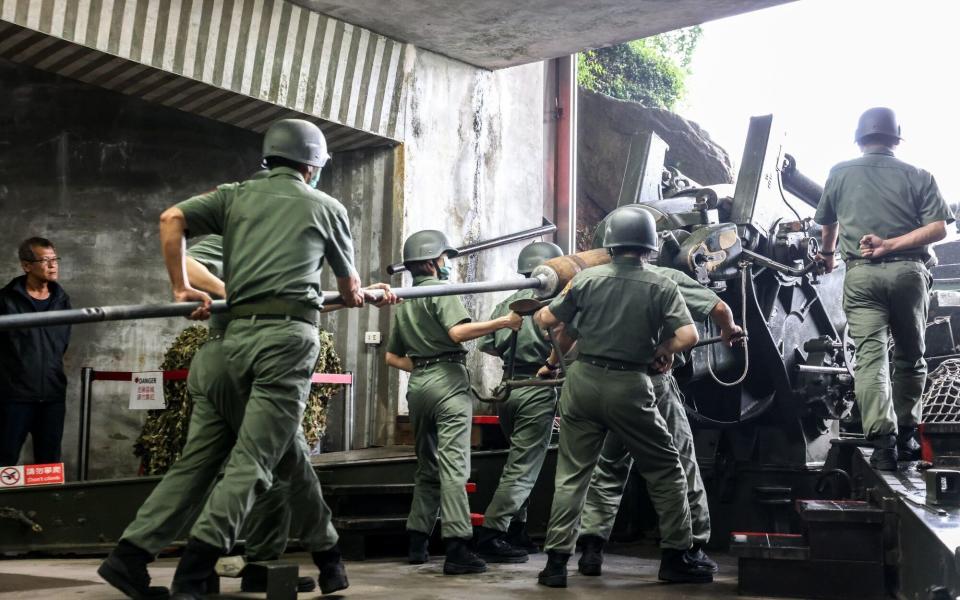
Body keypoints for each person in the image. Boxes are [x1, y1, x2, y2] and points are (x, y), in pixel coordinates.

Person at [102, 118, 387, 600]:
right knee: (259, 461)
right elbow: (345, 289)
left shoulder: (233, 198)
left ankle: (129, 557)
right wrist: (364, 294)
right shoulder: (327, 207)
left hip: (229, 345)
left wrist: (180, 286)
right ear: (312, 164)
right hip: (285, 343)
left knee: (217, 461)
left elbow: (171, 219)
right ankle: (197, 570)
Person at [533, 207, 714, 587]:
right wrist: (661, 349)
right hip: (630, 385)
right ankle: (677, 557)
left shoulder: (587, 280)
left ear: (610, 245)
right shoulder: (662, 285)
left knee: (573, 476)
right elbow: (689, 337)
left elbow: (547, 321)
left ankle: (555, 565)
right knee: (667, 469)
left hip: (581, 383)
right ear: (649, 248)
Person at [567, 210, 742, 576]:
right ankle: (688, 546)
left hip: (605, 384)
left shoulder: (591, 280)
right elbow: (720, 307)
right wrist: (728, 330)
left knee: (609, 466)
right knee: (678, 462)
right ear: (651, 246)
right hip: (653, 386)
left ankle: (591, 547)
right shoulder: (666, 278)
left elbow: (563, 327)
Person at [815, 107, 953, 470]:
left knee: (870, 360)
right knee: (911, 356)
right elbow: (939, 229)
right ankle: (908, 433)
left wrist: (828, 256)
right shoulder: (919, 175)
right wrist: (894, 245)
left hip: (861, 276)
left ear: (860, 138)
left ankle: (883, 444)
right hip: (909, 274)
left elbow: (827, 226)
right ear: (896, 138)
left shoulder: (839, 172)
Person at [385, 230, 522, 575]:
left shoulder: (404, 299)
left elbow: (391, 356)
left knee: (427, 464)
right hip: (447, 381)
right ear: (432, 261)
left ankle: (417, 541)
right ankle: (458, 547)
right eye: (445, 258)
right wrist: (504, 321)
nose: (447, 264)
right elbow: (458, 333)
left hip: (418, 385)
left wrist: (421, 365)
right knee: (454, 466)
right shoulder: (441, 291)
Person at [474, 241, 564, 562]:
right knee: (523, 468)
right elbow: (568, 345)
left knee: (518, 462)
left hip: (507, 388)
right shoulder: (556, 305)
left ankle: (516, 530)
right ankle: (492, 533)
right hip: (538, 386)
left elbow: (487, 345)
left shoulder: (506, 304)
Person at [0, 238, 71, 466]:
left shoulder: (62, 300)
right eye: (45, 260)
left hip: (52, 396)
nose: (53, 265)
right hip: (13, 398)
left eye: (54, 259)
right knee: (4, 462)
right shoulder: (5, 301)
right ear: (26, 265)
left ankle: (45, 504)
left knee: (49, 465)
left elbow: (62, 344)